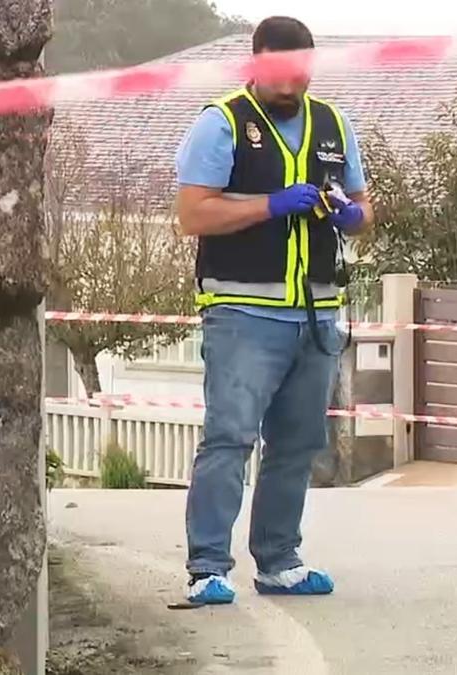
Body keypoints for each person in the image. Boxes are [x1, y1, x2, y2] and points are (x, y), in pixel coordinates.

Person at [173, 16, 374, 605]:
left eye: (302, 68)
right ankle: (208, 565)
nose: (293, 80)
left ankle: (280, 561)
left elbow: (364, 204)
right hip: (242, 311)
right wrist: (271, 205)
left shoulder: (334, 124)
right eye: (280, 69)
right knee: (230, 437)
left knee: (298, 442)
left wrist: (353, 217)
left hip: (315, 312)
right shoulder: (222, 123)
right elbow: (193, 215)